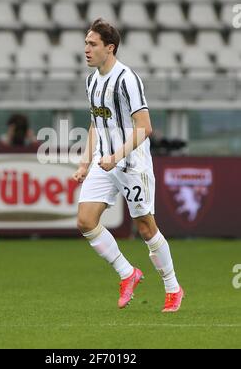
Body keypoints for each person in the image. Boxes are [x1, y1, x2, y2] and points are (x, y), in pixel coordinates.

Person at [73, 19, 184, 312]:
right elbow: (96, 122)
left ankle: (173, 287)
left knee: (146, 228)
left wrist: (116, 156)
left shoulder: (127, 79)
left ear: (110, 48)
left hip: (131, 163)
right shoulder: (91, 80)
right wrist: (86, 163)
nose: (86, 49)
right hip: (103, 162)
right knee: (85, 221)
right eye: (85, 43)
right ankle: (128, 273)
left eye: (92, 44)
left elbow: (145, 127)